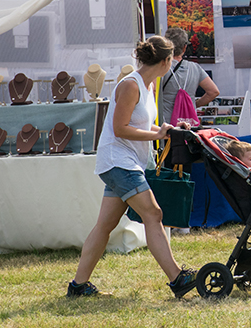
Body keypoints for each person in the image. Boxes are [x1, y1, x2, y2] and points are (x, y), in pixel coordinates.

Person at [67, 36, 197, 298]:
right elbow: (120, 128)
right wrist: (157, 136)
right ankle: (177, 279)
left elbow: (138, 123)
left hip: (123, 162)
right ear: (165, 61)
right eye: (172, 60)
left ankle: (78, 286)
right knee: (153, 214)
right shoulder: (130, 85)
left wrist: (166, 130)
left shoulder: (147, 86)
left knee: (105, 225)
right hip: (118, 161)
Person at [161, 28, 220, 124]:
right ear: (184, 47)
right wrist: (194, 105)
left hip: (166, 124)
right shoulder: (195, 68)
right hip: (189, 122)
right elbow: (214, 92)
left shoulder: (162, 67)